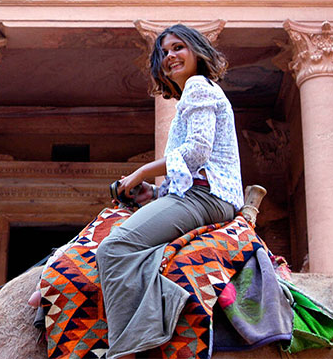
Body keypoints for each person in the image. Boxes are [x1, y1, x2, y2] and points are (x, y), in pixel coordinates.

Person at [96, 24, 244, 359]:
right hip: (200, 196)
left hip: (206, 198)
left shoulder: (198, 86)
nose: (170, 57)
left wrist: (140, 172)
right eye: (164, 52)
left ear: (196, 51)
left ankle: (128, 348)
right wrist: (154, 192)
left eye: (178, 48)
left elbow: (197, 152)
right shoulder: (193, 95)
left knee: (114, 249)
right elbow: (193, 166)